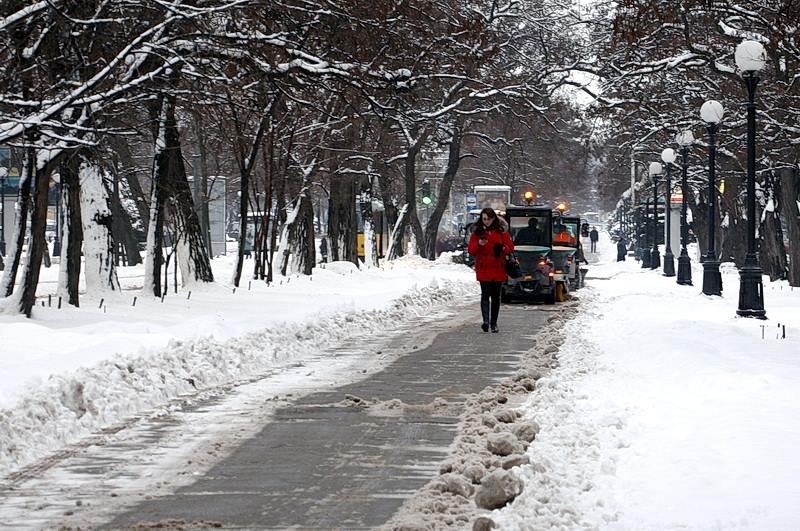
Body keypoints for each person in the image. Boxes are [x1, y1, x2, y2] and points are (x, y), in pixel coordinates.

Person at [467, 207, 514, 333]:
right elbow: (471, 250)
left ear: (493, 219)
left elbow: (510, 247)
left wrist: (503, 248)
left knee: (495, 296)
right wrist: (479, 245)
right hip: (484, 267)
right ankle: (486, 321)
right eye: (484, 219)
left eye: (488, 219)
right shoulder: (477, 232)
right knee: (485, 294)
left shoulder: (501, 232)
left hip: (498, 267)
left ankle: (494, 323)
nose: (486, 222)